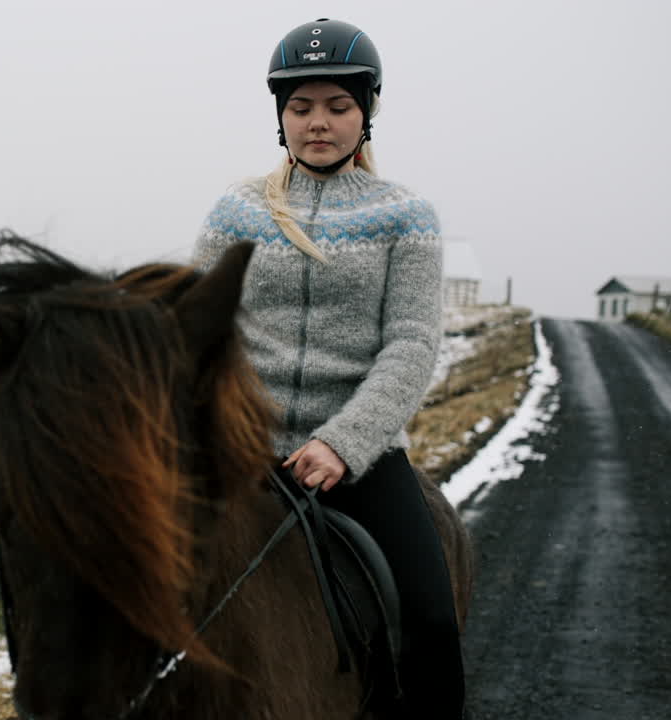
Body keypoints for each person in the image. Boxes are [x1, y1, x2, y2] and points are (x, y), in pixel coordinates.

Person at [192, 18, 465, 719]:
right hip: (239, 451)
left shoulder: (407, 216)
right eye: (301, 107)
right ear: (280, 115)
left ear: (366, 111)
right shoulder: (236, 212)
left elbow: (410, 346)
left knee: (432, 621)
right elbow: (197, 329)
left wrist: (342, 443)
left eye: (338, 107)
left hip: (360, 459)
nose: (319, 123)